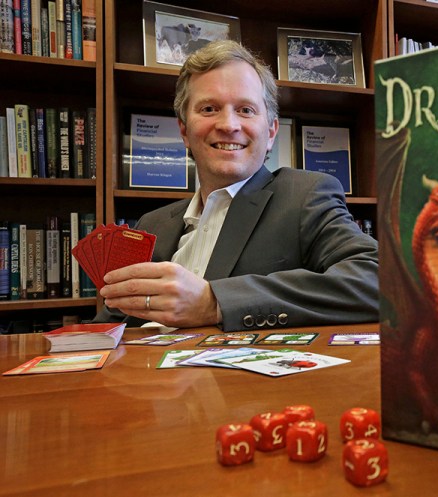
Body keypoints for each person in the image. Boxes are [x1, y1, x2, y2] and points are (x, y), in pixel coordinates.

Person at [94, 40, 379, 330]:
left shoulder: (304, 197)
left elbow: (376, 280)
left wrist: (214, 302)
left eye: (245, 110)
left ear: (270, 132)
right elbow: (108, 327)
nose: (228, 124)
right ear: (184, 131)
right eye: (208, 109)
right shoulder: (152, 224)